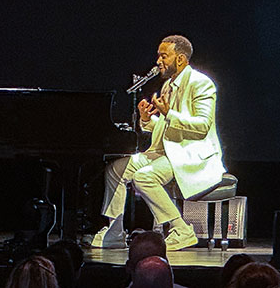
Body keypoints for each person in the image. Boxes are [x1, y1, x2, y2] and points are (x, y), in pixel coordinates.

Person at [91, 35, 226, 252]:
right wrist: (147, 119)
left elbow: (202, 126)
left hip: (190, 154)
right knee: (115, 170)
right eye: (159, 56)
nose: (159, 62)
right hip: (167, 152)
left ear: (180, 59)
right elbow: (166, 127)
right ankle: (114, 231)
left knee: (144, 176)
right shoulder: (167, 87)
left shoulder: (201, 83)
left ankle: (181, 229)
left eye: (164, 56)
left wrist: (168, 113)